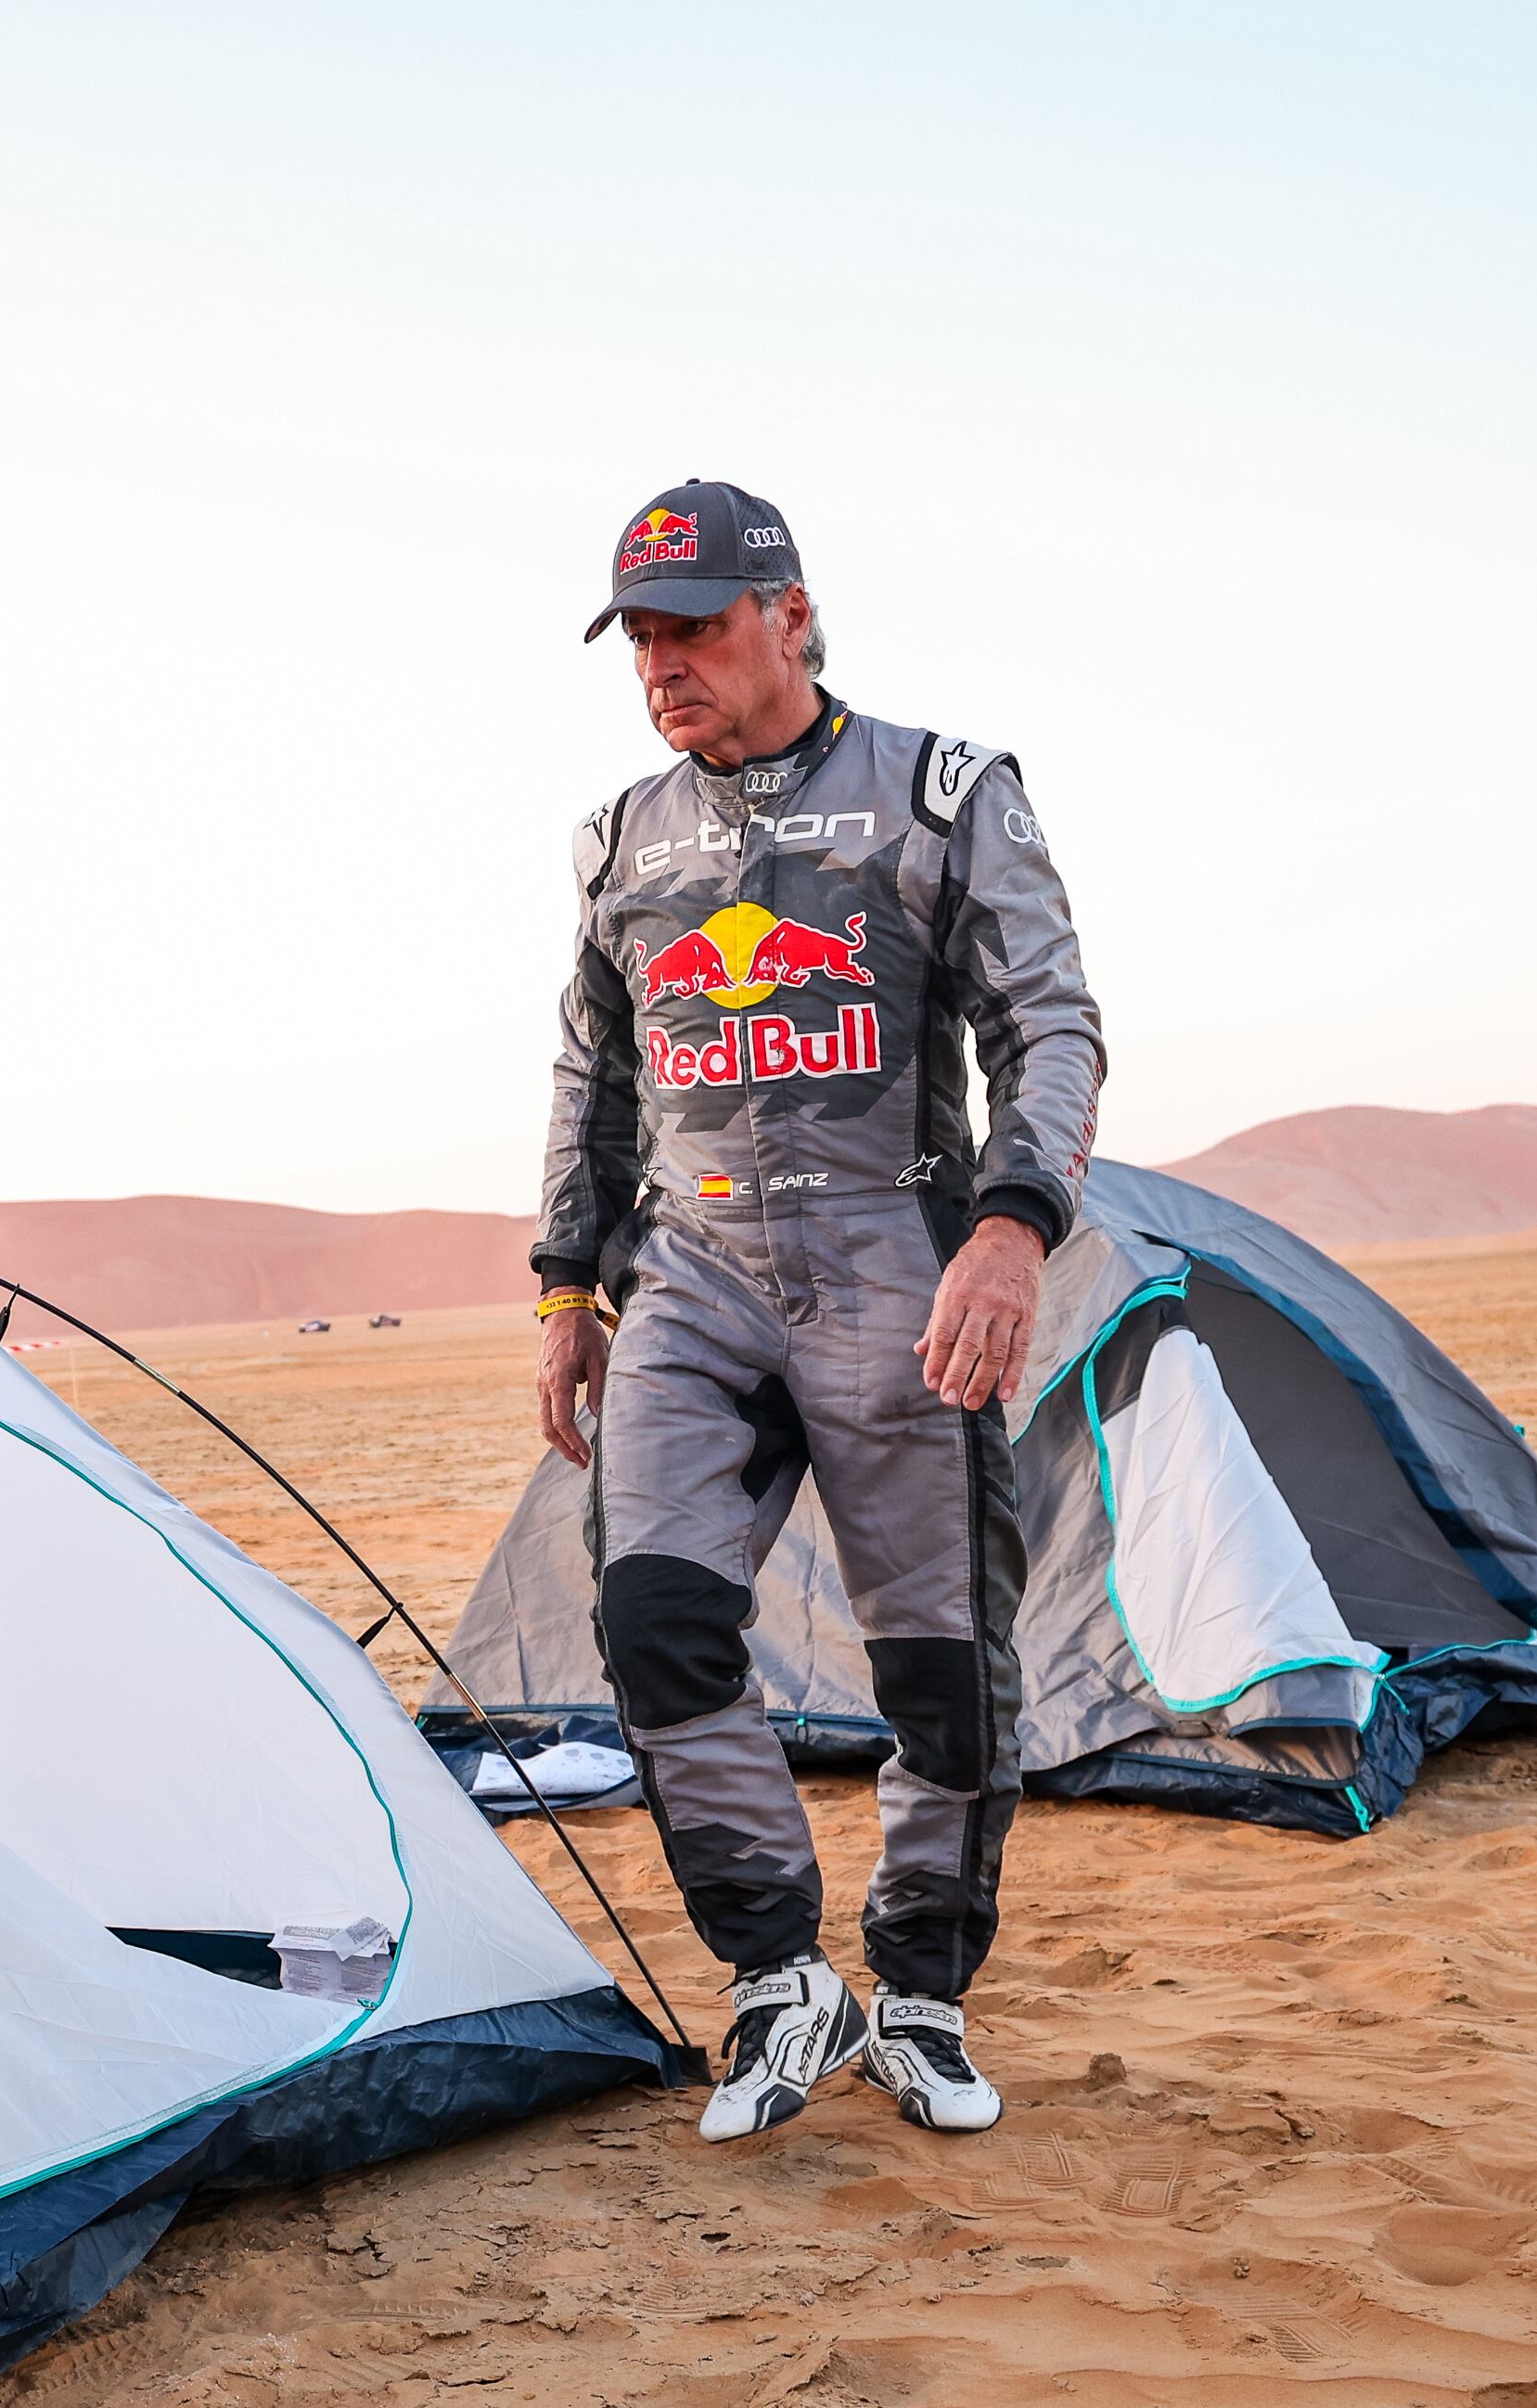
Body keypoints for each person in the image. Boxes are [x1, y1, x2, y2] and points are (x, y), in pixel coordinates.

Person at [529, 480, 1104, 2148]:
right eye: (641, 634)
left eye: (696, 623)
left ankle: (918, 1989)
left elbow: (1054, 1024)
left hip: (892, 1261)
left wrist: (1010, 1230)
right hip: (690, 1270)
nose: (664, 663)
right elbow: (595, 1070)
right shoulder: (622, 839)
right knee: (654, 1624)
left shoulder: (942, 793)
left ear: (790, 614)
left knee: (940, 1670)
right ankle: (781, 1979)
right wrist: (567, 1282)